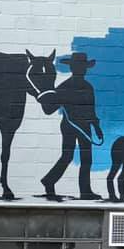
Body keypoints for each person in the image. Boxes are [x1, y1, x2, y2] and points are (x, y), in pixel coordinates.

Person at [41, 52, 103, 201]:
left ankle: (85, 191)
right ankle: (49, 180)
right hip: (70, 126)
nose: (81, 70)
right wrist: (45, 94)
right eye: (78, 67)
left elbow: (91, 110)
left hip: (85, 127)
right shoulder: (64, 87)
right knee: (67, 156)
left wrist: (96, 127)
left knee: (86, 159)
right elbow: (49, 109)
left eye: (83, 67)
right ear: (73, 68)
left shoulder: (88, 87)